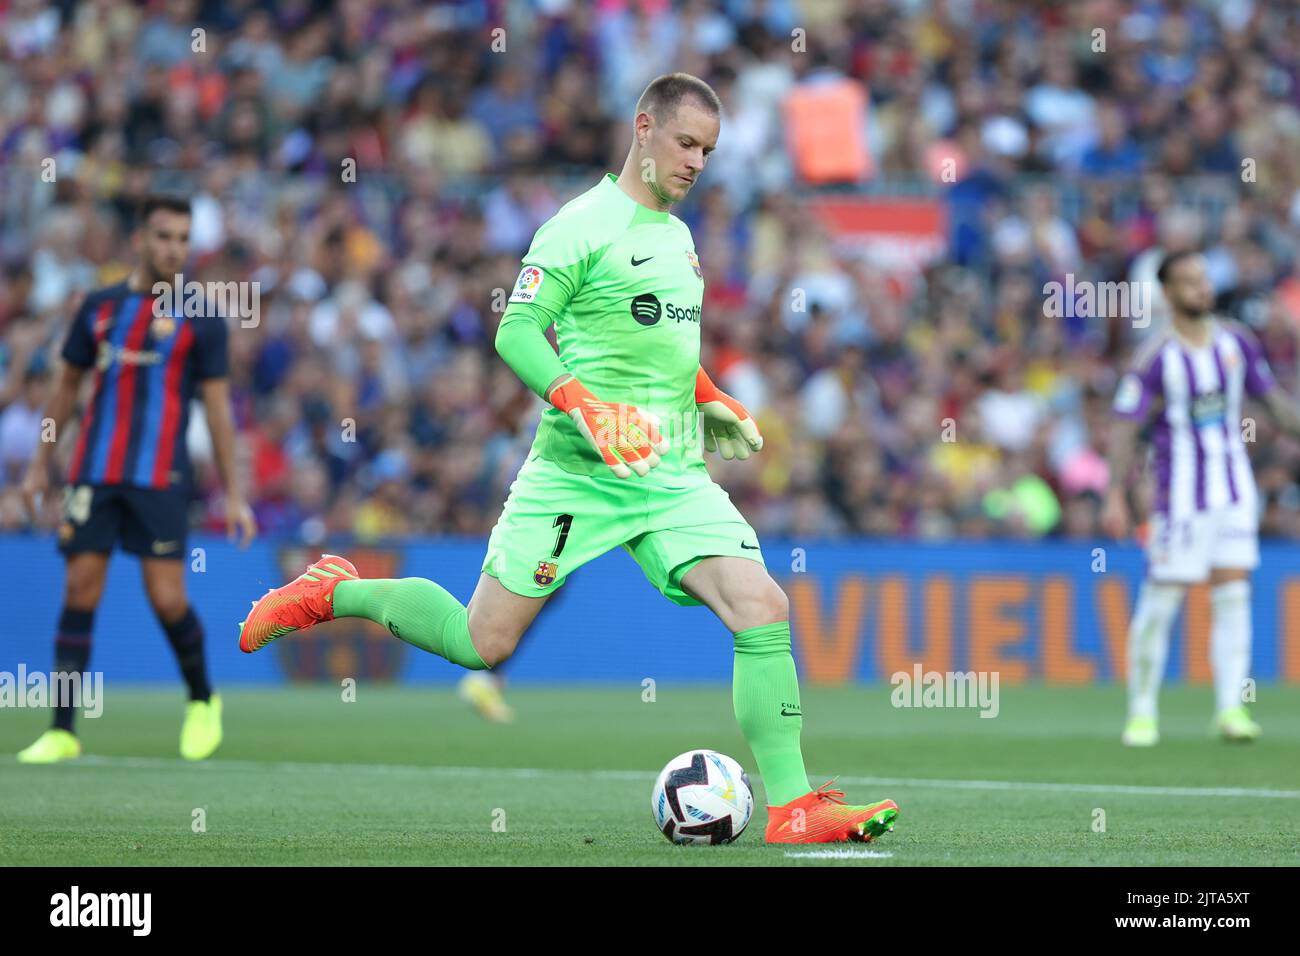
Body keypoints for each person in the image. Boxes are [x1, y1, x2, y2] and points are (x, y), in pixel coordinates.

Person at [238, 73, 899, 845]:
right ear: (643, 128)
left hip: (671, 474)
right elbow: (516, 333)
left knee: (763, 608)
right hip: (576, 473)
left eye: (709, 151)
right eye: (686, 143)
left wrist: (711, 395)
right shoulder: (577, 225)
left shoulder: (679, 238)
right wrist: (583, 405)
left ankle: (792, 807)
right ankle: (337, 591)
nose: (696, 163)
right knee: (482, 644)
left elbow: (660, 353)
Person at [17, 195, 256, 764]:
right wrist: (37, 465)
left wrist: (237, 493)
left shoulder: (202, 318)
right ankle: (63, 731)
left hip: (160, 476)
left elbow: (218, 413)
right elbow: (65, 392)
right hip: (94, 473)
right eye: (164, 237)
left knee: (168, 598)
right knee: (79, 589)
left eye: (182, 238)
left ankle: (202, 700)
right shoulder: (98, 308)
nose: (174, 248)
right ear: (140, 241)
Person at [1103, 250, 1300, 745]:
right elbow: (1124, 427)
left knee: (1233, 595)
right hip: (1180, 498)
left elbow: (1272, 402)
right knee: (1163, 600)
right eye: (1190, 282)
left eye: (1205, 279)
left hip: (1234, 491)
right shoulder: (1154, 357)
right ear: (1168, 292)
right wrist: (1114, 493)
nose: (1203, 289)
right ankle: (1142, 711)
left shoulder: (1236, 341)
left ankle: (1231, 709)